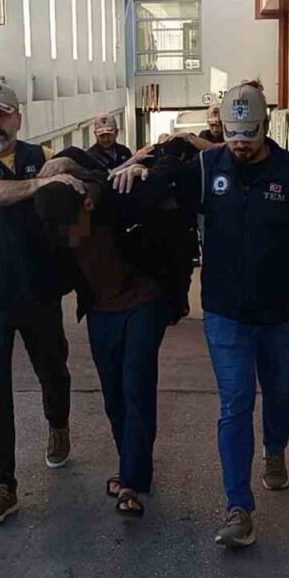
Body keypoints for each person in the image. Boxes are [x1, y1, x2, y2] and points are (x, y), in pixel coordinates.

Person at [110, 81, 289, 548]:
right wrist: (137, 167)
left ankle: (275, 449)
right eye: (233, 133)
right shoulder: (206, 167)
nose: (240, 142)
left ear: (266, 126)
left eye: (249, 133)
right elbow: (165, 179)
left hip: (280, 315)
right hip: (225, 313)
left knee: (278, 392)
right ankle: (238, 507)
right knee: (235, 403)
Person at [0, 81, 85, 526]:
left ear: (18, 119)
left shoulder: (39, 155)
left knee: (53, 371)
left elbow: (68, 171)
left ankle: (58, 425)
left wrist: (63, 165)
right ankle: (2, 487)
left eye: (3, 114)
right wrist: (42, 181)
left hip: (39, 292)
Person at [33, 151, 183, 518]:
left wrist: (142, 168)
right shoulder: (57, 217)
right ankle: (130, 464)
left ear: (86, 204)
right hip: (101, 311)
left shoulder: (121, 194)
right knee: (114, 395)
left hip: (143, 303)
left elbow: (170, 171)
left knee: (135, 386)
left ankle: (132, 480)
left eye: (71, 228)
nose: (68, 239)